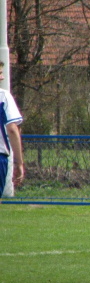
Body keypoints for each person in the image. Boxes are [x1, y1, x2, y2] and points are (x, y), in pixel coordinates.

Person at [0, 60, 24, 197]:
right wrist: (19, 162)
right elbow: (12, 129)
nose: (2, 77)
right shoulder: (3, 97)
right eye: (0, 74)